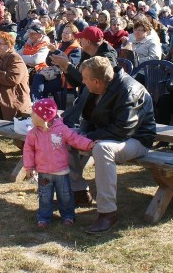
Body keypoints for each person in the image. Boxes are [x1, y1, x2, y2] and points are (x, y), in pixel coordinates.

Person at [63, 56, 156, 234]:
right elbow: (89, 118)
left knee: (102, 149)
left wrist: (89, 138)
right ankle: (79, 192)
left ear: (96, 81)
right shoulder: (98, 88)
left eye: (84, 78)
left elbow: (123, 129)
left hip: (136, 140)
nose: (82, 81)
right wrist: (80, 135)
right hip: (108, 135)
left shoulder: (130, 90)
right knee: (67, 139)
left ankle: (108, 213)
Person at [23, 98, 96, 229]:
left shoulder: (61, 129)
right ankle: (44, 217)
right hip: (44, 173)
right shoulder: (33, 133)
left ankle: (68, 216)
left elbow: (75, 139)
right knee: (44, 196)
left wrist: (89, 144)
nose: (30, 115)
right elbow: (28, 151)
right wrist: (29, 166)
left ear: (43, 117)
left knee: (65, 195)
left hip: (62, 172)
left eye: (33, 113)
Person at [0, 32, 32, 119]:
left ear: (9, 45)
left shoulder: (15, 58)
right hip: (0, 97)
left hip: (13, 100)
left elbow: (13, 78)